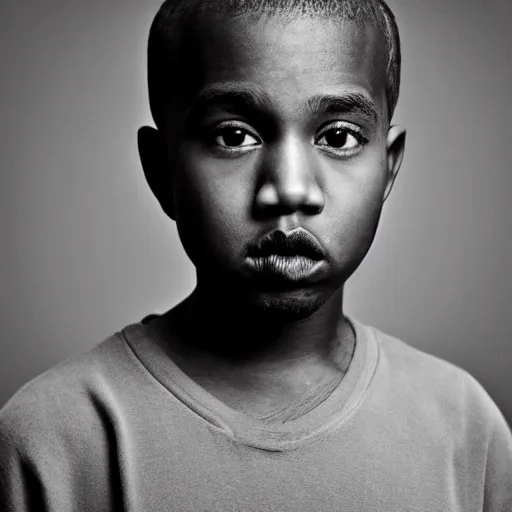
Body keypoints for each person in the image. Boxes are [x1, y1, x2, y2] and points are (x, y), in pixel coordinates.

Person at [1, 0, 511, 510]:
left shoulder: (462, 425)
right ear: (161, 173)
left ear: (388, 170)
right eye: (234, 136)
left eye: (339, 137)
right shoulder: (53, 436)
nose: (290, 190)